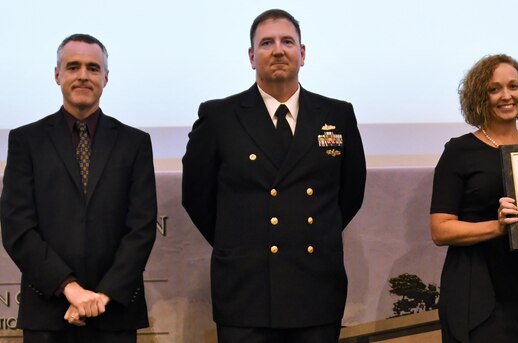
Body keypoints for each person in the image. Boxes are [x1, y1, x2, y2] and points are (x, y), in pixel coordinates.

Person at [181, 9, 366, 343]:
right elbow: (196, 196)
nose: (278, 50)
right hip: (245, 289)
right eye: (266, 43)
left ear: (302, 53)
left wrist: (300, 233)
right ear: (252, 57)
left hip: (315, 286)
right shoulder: (219, 116)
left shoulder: (337, 114)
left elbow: (351, 193)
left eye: (287, 42)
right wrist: (242, 241)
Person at [0, 34, 157, 343]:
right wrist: (70, 289)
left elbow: (141, 228)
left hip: (114, 312)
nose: (83, 75)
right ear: (57, 74)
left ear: (106, 78)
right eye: (73, 67)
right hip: (48, 310)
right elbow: (17, 227)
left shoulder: (135, 144)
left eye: (93, 68)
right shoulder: (25, 141)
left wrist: (102, 296)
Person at [430, 54, 518, 343]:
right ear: (480, 96)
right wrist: (498, 226)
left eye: (513, 86)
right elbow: (440, 230)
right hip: (475, 294)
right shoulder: (458, 152)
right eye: (495, 89)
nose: (506, 96)